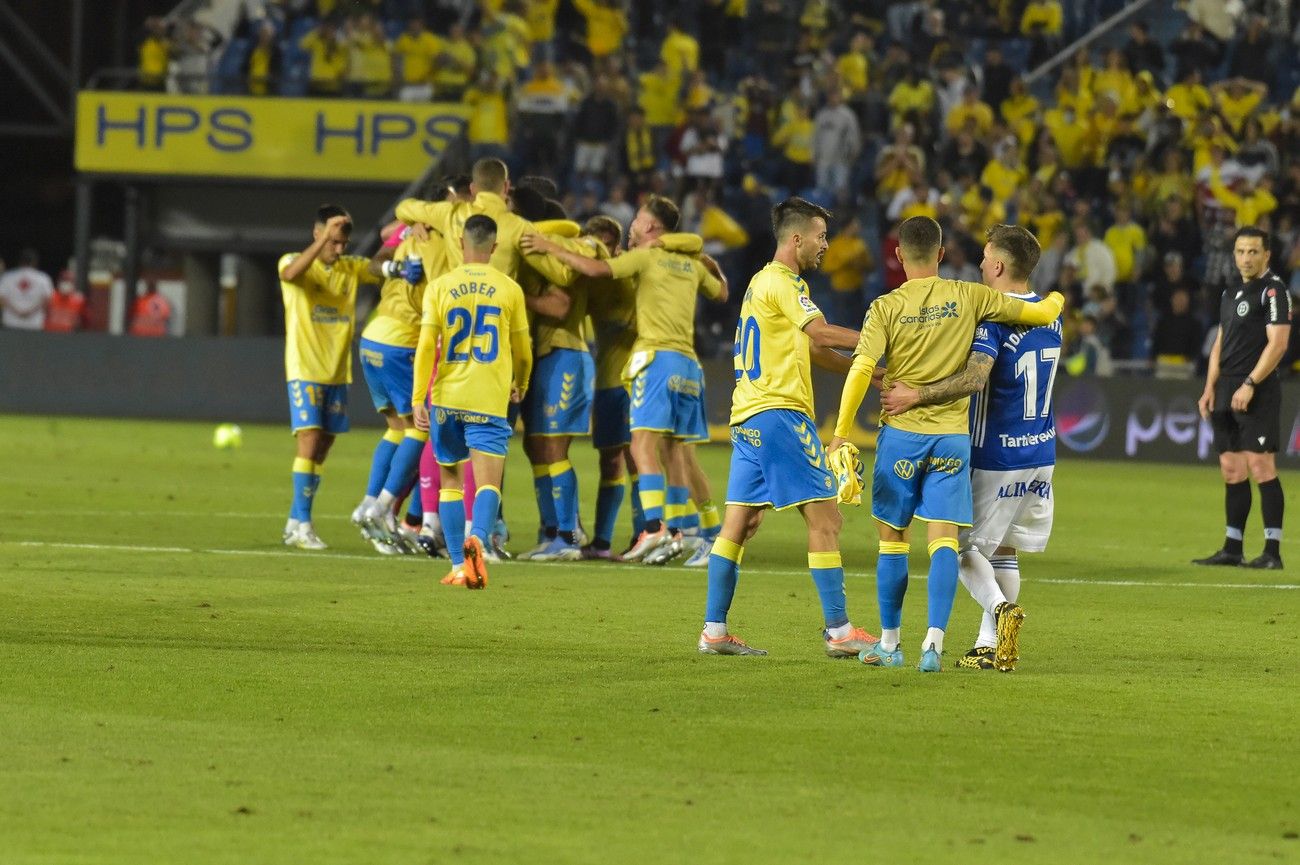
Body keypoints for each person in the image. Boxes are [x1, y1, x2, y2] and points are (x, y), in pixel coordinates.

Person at [827, 216, 1064, 672]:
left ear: (898, 255)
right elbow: (1042, 312)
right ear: (940, 254)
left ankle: (898, 642)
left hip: (944, 442)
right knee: (979, 547)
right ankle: (950, 646)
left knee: (918, 544)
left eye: (985, 258)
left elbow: (867, 369)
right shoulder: (983, 300)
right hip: (1005, 445)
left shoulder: (899, 307)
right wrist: (1057, 298)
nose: (980, 263)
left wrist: (843, 431)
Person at [699, 197, 876, 658]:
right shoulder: (783, 282)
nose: (825, 245)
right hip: (780, 414)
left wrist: (870, 372)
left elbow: (813, 350)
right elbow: (821, 333)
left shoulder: (762, 284)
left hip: (748, 417)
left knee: (739, 524)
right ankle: (839, 631)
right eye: (820, 236)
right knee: (826, 520)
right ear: (797, 239)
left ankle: (714, 630)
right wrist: (878, 339)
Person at [521, 195, 728, 562]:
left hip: (654, 362)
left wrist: (549, 246)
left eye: (637, 220)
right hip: (686, 365)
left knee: (642, 449)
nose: (632, 225)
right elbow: (722, 292)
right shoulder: (689, 263)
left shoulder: (644, 258)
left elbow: (597, 269)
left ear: (649, 226)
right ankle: (693, 532)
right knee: (675, 454)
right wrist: (707, 260)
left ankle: (654, 528)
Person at [412, 215, 532, 588]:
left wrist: (418, 397)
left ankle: (457, 565)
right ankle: (477, 538)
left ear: (461, 243)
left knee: (450, 481)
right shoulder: (509, 289)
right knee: (487, 483)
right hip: (488, 397)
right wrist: (521, 382)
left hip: (446, 397)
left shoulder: (440, 286)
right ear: (494, 247)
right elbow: (523, 349)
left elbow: (426, 346)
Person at [277, 205, 393, 550]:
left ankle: (294, 521)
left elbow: (377, 268)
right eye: (333, 242)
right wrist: (323, 239)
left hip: (337, 372)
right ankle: (303, 525)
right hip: (305, 368)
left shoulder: (348, 267)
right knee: (309, 441)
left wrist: (400, 236)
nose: (339, 249)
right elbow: (290, 275)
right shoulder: (292, 261)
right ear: (317, 234)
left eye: (343, 243)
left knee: (322, 448)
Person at [1194, 227, 1292, 569]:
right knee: (1231, 469)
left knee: (1261, 466)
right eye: (1240, 251)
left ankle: (1272, 552)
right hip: (1226, 388)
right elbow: (1220, 343)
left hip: (1257, 390)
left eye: (1253, 252)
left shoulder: (1274, 290)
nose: (1246, 258)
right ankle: (1232, 548)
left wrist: (1250, 383)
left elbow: (1278, 344)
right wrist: (1209, 387)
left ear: (1267, 255)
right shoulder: (1230, 291)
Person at [352, 225, 436, 555]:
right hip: (401, 342)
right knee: (420, 429)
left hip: (373, 336)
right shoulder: (443, 236)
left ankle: (369, 502)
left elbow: (381, 246)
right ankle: (383, 506)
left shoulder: (406, 231)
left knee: (396, 429)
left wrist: (394, 266)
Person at [0, 249, 54, 330]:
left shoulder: (8, 277)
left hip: (11, 321)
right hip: (34, 322)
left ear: (20, 261)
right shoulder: (43, 278)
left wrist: (17, 312)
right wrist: (29, 312)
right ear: (35, 262)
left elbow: (2, 299)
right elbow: (47, 300)